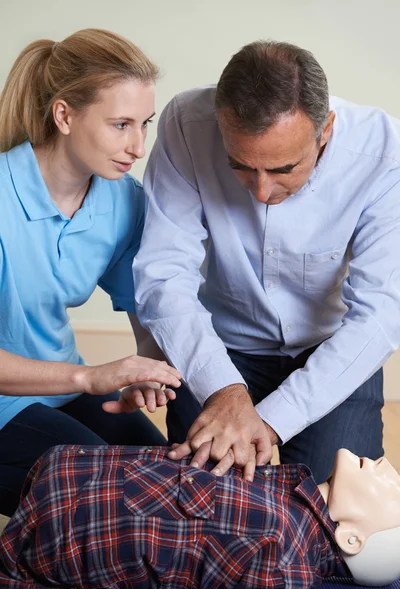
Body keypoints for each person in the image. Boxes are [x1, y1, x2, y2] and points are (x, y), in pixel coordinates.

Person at [132, 40, 400, 483]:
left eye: (283, 169)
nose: (259, 193)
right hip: (217, 344)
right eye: (240, 166)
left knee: (339, 514)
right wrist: (223, 388)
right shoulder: (186, 125)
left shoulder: (386, 155)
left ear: (326, 130)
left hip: (330, 348)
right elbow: (164, 273)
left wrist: (267, 421)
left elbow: (379, 317)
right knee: (203, 501)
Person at [0, 28, 182, 517]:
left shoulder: (122, 201)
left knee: (166, 481)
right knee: (110, 497)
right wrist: (91, 374)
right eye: (120, 124)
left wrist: (147, 365)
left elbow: (141, 311)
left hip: (60, 390)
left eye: (145, 123)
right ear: (64, 115)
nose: (138, 146)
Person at [0, 445, 399, 589]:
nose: (387, 466)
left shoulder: (279, 550)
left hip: (60, 514)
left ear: (350, 539)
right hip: (71, 471)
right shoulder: (290, 493)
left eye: (393, 491)